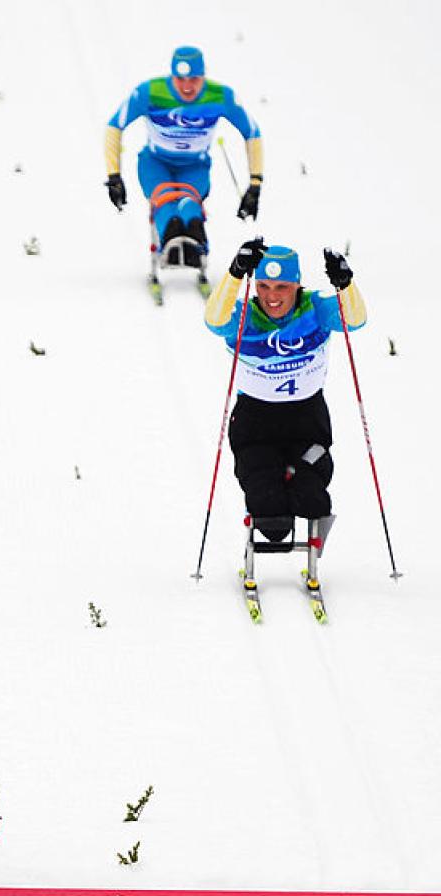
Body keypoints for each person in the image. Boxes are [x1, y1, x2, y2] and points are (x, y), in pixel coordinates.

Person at [204, 240, 366, 541]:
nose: (271, 296)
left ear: (297, 284)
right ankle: (276, 489)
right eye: (264, 286)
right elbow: (214, 320)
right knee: (271, 517)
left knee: (313, 498)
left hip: (307, 422)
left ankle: (296, 487)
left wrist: (345, 284)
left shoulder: (315, 309)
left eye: (282, 287)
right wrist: (235, 274)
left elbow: (355, 320)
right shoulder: (245, 318)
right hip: (255, 424)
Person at [104, 45, 263, 265]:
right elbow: (114, 126)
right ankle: (170, 240)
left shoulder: (220, 96)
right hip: (155, 163)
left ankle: (196, 244)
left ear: (203, 76)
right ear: (172, 75)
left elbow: (252, 132)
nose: (187, 86)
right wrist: (114, 176)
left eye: (194, 79)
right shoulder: (149, 92)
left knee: (189, 203)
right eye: (180, 79)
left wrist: (255, 183)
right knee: (166, 201)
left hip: (194, 166)